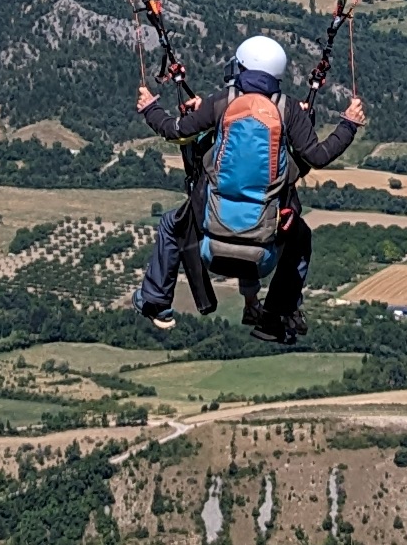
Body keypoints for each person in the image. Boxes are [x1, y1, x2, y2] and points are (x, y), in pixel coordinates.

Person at [134, 26, 363, 343]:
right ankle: (273, 318)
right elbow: (319, 156)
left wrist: (149, 108)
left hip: (211, 243)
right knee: (300, 238)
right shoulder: (289, 110)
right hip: (264, 253)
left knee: (173, 225)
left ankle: (156, 302)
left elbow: (175, 131)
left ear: (240, 67)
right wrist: (349, 124)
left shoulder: (220, 103)